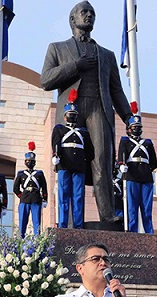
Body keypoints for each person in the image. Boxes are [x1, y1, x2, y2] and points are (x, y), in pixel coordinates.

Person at [40, 1, 132, 223]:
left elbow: (116, 90)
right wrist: (75, 66)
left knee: (102, 160)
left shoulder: (106, 55)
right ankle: (71, 220)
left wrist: (128, 116)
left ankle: (107, 215)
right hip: (72, 111)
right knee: (73, 163)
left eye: (92, 13)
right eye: (84, 12)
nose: (89, 16)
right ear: (73, 20)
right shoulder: (57, 48)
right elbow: (45, 80)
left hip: (99, 108)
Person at [51, 89, 94, 229]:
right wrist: (56, 156)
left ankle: (78, 226)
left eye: (74, 115)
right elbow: (56, 144)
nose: (72, 117)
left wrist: (84, 163)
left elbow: (90, 151)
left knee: (78, 198)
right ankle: (63, 226)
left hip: (79, 167)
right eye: (70, 115)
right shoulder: (59, 129)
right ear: (65, 117)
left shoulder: (83, 132)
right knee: (63, 197)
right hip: (64, 165)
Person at [117, 102, 157, 234]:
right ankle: (133, 232)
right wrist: (122, 165)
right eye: (133, 127)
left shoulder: (147, 143)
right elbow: (121, 157)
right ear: (128, 129)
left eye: (138, 127)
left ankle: (149, 233)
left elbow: (153, 163)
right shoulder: (125, 141)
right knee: (132, 208)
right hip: (131, 176)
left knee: (146, 209)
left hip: (145, 177)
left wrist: (144, 170)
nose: (136, 129)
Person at [13, 142, 48, 237]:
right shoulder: (21, 174)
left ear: (35, 163)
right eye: (28, 161)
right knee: (22, 221)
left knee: (36, 222)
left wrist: (45, 199)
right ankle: (21, 239)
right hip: (24, 199)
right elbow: (16, 188)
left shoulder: (39, 173)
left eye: (32, 161)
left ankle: (37, 239)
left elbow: (44, 187)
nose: (30, 163)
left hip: (36, 198)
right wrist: (21, 196)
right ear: (25, 162)